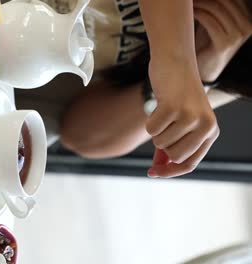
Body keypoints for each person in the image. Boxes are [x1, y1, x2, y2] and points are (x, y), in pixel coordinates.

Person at [15, 0, 252, 177]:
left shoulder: (237, 68)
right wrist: (177, 62)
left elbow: (81, 137)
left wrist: (200, 73)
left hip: (8, 60)